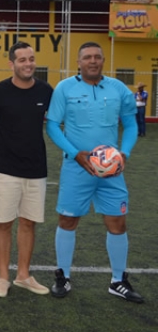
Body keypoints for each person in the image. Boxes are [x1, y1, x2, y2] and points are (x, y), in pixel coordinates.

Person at [46, 41, 143, 303]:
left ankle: (117, 280)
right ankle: (63, 276)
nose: (93, 61)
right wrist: (75, 153)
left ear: (102, 61)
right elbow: (53, 125)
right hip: (76, 167)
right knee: (68, 220)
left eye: (97, 57)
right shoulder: (65, 88)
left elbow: (131, 125)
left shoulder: (118, 89)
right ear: (79, 62)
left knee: (118, 223)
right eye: (87, 57)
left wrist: (125, 153)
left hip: (112, 170)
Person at [0, 42, 53, 298]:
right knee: (4, 223)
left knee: (29, 223)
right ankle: (2, 277)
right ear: (12, 64)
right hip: (6, 167)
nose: (28, 64)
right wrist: (6, 120)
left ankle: (23, 275)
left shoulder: (45, 90)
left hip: (36, 167)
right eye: (22, 60)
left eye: (31, 59)